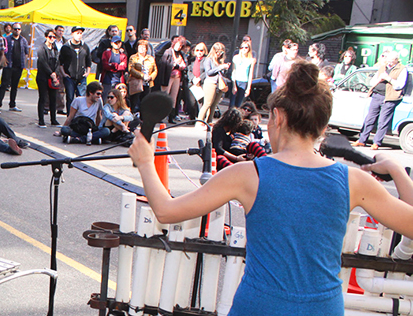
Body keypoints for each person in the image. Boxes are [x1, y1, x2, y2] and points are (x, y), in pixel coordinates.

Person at [129, 60, 413, 315]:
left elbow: (166, 210)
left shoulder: (248, 175)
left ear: (277, 117)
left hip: (260, 305)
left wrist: (145, 162)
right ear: (323, 127)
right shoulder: (352, 181)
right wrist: (397, 170)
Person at [353, 51, 407, 150]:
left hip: (389, 98)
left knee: (383, 121)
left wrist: (388, 78)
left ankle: (376, 143)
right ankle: (362, 140)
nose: (389, 63)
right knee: (369, 118)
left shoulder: (402, 69)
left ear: (396, 60)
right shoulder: (383, 67)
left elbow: (400, 85)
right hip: (377, 95)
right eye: (388, 60)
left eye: (391, 61)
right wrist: (380, 79)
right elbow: (373, 81)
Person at [196, 42, 230, 126]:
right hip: (210, 83)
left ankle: (209, 122)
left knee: (214, 105)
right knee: (207, 103)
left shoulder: (220, 60)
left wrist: (225, 68)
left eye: (221, 52)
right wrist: (220, 67)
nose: (219, 54)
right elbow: (209, 72)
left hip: (219, 84)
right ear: (213, 51)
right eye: (217, 52)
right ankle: (199, 122)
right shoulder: (208, 59)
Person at [59, 26, 91, 114]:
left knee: (82, 99)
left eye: (81, 33)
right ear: (72, 34)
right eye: (77, 33)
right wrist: (64, 74)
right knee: (70, 98)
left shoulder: (85, 47)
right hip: (69, 77)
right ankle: (70, 118)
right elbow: (60, 63)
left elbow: (88, 61)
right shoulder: (66, 47)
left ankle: (80, 118)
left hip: (81, 77)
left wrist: (87, 73)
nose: (79, 35)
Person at [36, 29, 63, 128]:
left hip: (53, 77)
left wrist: (55, 73)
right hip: (43, 76)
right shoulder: (41, 48)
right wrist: (51, 73)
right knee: (43, 97)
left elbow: (57, 62)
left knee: (53, 98)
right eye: (50, 37)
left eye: (54, 37)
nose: (52, 39)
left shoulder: (55, 49)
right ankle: (41, 120)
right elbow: (43, 62)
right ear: (46, 37)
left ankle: (53, 119)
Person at [0, 22, 27, 112]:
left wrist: (24, 63)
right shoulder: (7, 39)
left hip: (19, 66)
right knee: (4, 85)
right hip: (9, 65)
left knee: (14, 86)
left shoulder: (23, 40)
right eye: (15, 29)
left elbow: (26, 53)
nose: (17, 31)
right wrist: (4, 60)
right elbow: (2, 51)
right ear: (12, 30)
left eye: (18, 29)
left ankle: (12, 104)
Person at [157, 36, 186, 123]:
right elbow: (165, 65)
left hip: (177, 77)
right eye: (178, 44)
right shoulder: (168, 52)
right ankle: (160, 116)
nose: (179, 47)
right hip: (168, 77)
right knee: (164, 96)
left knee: (173, 97)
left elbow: (184, 65)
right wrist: (177, 66)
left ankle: (171, 116)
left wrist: (178, 66)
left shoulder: (180, 54)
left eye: (181, 45)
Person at [126, 40, 156, 111]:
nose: (141, 49)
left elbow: (155, 70)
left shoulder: (151, 58)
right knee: (134, 101)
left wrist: (151, 77)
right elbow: (131, 69)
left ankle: (143, 119)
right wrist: (142, 76)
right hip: (137, 83)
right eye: (139, 47)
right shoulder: (133, 57)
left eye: (143, 47)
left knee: (145, 102)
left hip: (148, 83)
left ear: (146, 49)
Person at [99, 35, 127, 101]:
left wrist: (113, 65)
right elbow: (105, 66)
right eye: (115, 42)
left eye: (119, 42)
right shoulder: (106, 53)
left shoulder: (123, 55)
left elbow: (123, 67)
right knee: (105, 100)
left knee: (118, 100)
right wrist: (118, 66)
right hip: (107, 81)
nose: (117, 44)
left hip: (118, 82)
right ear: (111, 43)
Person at [230, 40, 256, 108]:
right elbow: (233, 71)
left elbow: (250, 74)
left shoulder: (251, 60)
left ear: (249, 49)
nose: (244, 49)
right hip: (236, 81)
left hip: (244, 82)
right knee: (232, 103)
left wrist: (248, 88)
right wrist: (234, 85)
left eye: (246, 47)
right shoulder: (236, 57)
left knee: (239, 104)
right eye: (242, 47)